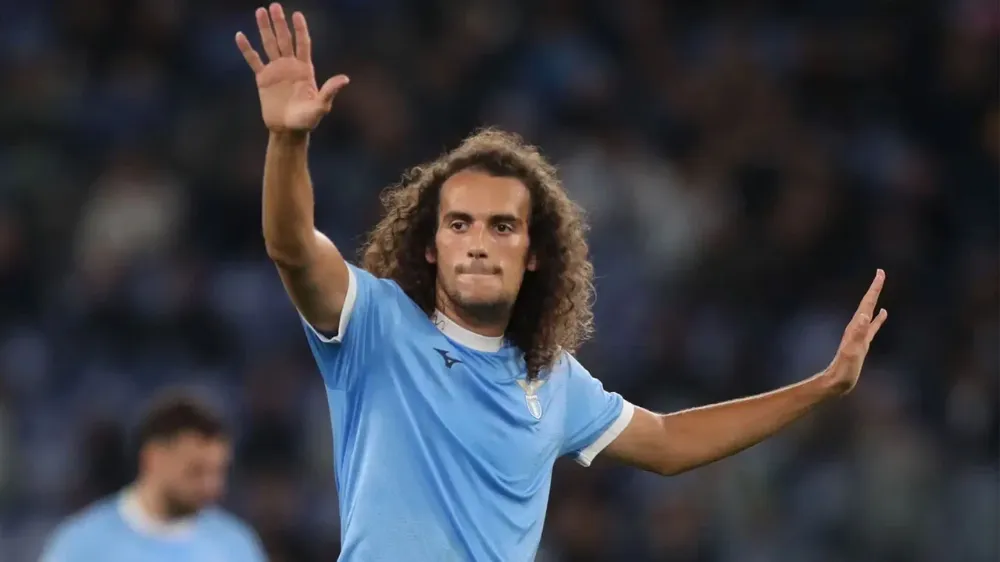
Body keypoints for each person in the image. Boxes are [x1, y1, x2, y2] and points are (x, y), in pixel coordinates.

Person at [236, 4, 889, 561]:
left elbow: (668, 443)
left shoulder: (552, 377)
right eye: (459, 224)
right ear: (431, 247)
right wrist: (287, 141)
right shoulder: (375, 323)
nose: (478, 242)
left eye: (501, 226)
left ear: (533, 255)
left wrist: (823, 386)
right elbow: (292, 248)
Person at [40, 393, 266, 562]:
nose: (213, 486)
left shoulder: (235, 546)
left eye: (218, 472)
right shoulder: (82, 545)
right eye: (196, 471)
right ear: (153, 459)